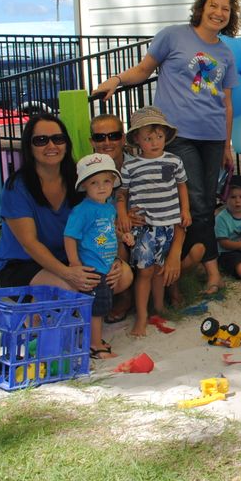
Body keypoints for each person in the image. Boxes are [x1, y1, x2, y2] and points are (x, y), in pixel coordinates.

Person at [93, 0, 241, 297]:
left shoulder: (226, 52)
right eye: (213, 5)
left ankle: (192, 263)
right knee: (197, 201)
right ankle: (209, 270)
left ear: (231, 15)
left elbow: (226, 103)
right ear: (202, 6)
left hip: (213, 136)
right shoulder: (173, 36)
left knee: (204, 203)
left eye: (225, 9)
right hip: (178, 135)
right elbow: (144, 70)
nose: (218, 13)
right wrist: (116, 81)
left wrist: (227, 144)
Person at [0, 114, 132, 298]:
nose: (51, 146)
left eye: (58, 139)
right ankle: (42, 312)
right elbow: (30, 244)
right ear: (29, 146)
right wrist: (68, 273)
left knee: (123, 275)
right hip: (24, 263)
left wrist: (110, 259)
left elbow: (100, 225)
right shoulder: (17, 187)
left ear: (66, 143)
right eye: (41, 140)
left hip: (71, 256)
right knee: (71, 289)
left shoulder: (79, 179)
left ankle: (59, 310)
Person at [116, 107, 190, 337]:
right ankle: (141, 317)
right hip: (145, 226)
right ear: (137, 139)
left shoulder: (174, 161)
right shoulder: (130, 166)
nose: (155, 142)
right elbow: (122, 194)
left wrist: (185, 210)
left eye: (159, 137)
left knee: (159, 269)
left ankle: (158, 309)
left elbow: (181, 186)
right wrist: (122, 214)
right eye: (148, 138)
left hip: (168, 223)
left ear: (166, 136)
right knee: (145, 272)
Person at [64, 154, 130, 360]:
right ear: (84, 185)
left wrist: (122, 236)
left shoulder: (108, 208)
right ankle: (94, 344)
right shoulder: (83, 210)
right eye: (94, 182)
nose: (101, 187)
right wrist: (75, 263)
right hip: (92, 268)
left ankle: (93, 338)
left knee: (102, 303)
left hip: (106, 266)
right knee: (96, 308)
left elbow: (108, 232)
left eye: (106, 181)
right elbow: (70, 236)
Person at [89, 113, 138, 324]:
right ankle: (122, 295)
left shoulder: (138, 166)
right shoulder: (87, 170)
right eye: (100, 137)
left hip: (138, 224)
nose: (107, 142)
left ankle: (127, 296)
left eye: (113, 135)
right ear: (92, 142)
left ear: (123, 138)